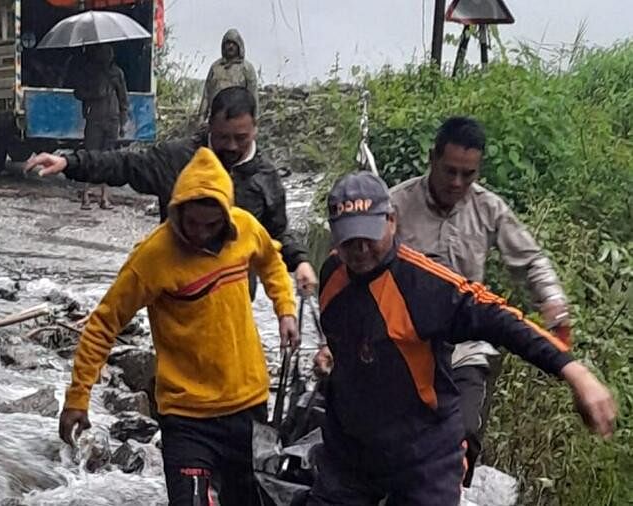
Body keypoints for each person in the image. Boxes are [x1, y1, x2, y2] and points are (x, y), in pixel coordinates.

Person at [306, 171, 615, 505]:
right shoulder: (333, 273)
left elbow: (502, 320)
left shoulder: (425, 285)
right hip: (352, 449)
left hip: (422, 453)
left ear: (391, 221)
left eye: (369, 235)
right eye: (350, 241)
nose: (361, 250)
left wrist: (575, 372)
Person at [58, 147, 299, 505]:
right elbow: (103, 323)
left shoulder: (246, 229)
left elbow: (271, 261)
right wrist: (78, 397)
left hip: (247, 407)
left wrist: (285, 309)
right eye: (192, 224)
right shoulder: (153, 257)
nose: (200, 233)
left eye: (211, 225)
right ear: (177, 212)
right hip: (187, 418)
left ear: (226, 217)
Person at [391, 116, 572, 485]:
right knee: (396, 444)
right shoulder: (395, 205)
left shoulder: (488, 208)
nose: (457, 183)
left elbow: (531, 260)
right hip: (405, 344)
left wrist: (553, 302)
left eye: (468, 175)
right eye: (450, 171)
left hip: (465, 346)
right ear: (431, 159)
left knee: (464, 436)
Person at [26, 86, 317, 295]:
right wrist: (69, 162)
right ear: (210, 126)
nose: (230, 146)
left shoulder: (265, 178)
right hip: (175, 292)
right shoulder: (177, 160)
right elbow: (124, 164)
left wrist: (300, 262)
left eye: (240, 138)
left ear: (255, 129)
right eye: (222, 137)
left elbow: (276, 235)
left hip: (234, 297)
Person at [70, 44, 128, 210]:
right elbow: (78, 92)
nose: (107, 56)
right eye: (104, 53)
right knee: (91, 156)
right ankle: (86, 196)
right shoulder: (90, 72)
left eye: (109, 53)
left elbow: (123, 98)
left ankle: (104, 198)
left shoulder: (117, 73)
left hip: (112, 120)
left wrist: (123, 122)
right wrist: (95, 94)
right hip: (94, 120)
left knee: (108, 158)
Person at [198, 29, 259, 121]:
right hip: (217, 117)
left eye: (234, 43)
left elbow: (253, 95)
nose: (230, 46)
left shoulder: (247, 68)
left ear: (239, 46)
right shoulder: (215, 67)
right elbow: (207, 94)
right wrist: (201, 117)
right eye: (228, 43)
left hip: (238, 117)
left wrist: (254, 119)